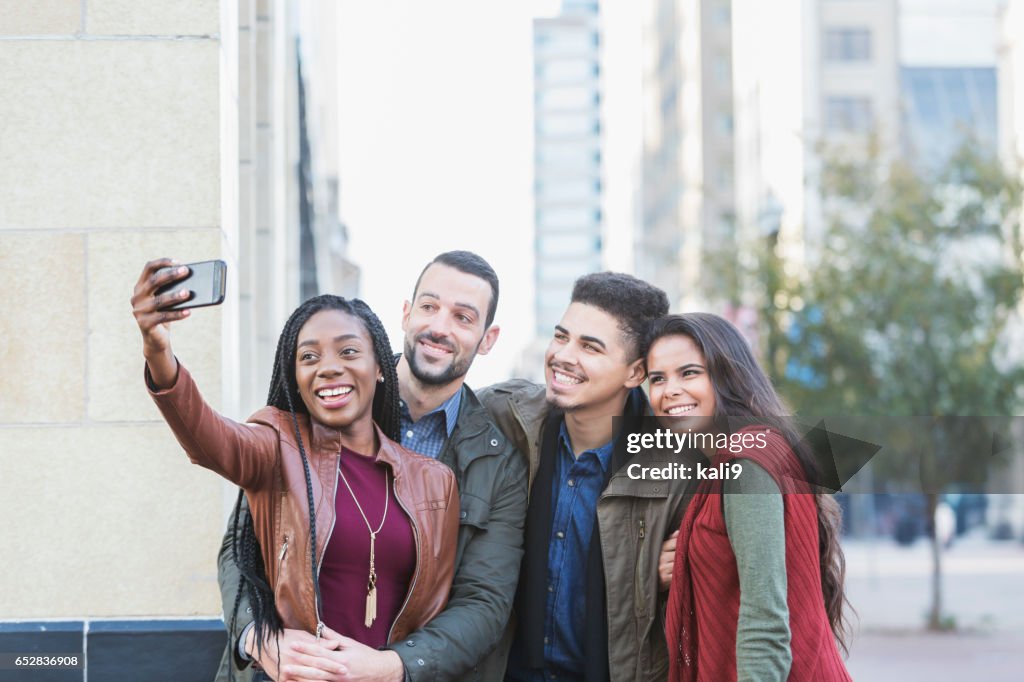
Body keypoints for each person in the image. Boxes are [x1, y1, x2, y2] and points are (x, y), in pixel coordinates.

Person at [131, 259, 460, 681]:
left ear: (380, 366)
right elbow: (207, 438)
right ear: (296, 375)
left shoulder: (434, 481)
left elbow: (431, 613)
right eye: (309, 357)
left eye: (348, 351)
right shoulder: (277, 446)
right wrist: (158, 351)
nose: (328, 367)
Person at [218, 251, 529, 681]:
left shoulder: (498, 465)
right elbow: (240, 545)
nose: (439, 327)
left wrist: (392, 666)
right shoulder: (321, 403)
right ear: (405, 313)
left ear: (487, 338)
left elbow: (484, 602)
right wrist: (258, 636)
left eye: (463, 317)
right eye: (429, 306)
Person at [478, 272, 700, 681]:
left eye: (590, 347)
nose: (563, 356)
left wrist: (694, 559)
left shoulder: (677, 463)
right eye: (561, 337)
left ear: (635, 373)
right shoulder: (504, 419)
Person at [647, 313, 852, 681]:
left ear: (727, 375)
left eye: (689, 372)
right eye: (657, 378)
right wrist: (677, 572)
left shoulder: (746, 462)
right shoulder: (737, 458)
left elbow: (766, 623)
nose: (669, 390)